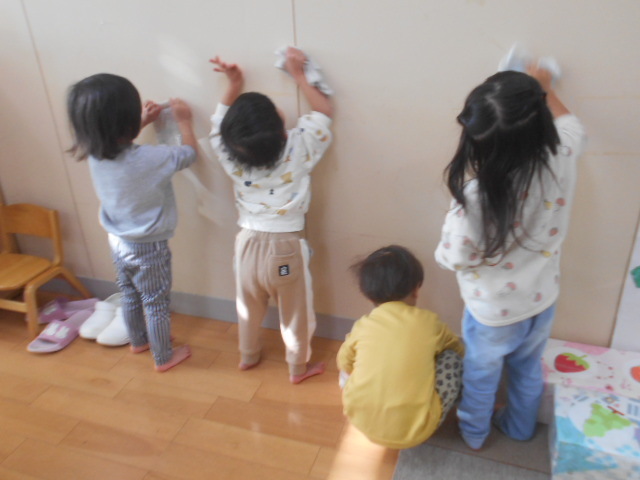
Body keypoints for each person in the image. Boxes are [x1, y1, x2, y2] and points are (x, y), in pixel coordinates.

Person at [434, 64, 587, 450]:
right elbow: (573, 126)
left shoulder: (474, 199)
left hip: (491, 314)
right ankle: (520, 427)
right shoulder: (562, 155)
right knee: (527, 369)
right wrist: (545, 88)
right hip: (541, 301)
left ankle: (474, 433)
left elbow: (453, 256)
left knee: (481, 374)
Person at [208, 47, 333, 384]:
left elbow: (218, 125)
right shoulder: (298, 146)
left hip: (246, 248)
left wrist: (233, 84)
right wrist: (299, 75)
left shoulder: (229, 154)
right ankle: (297, 367)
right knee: (295, 311)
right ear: (281, 130)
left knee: (247, 306)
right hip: (285, 252)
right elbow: (323, 111)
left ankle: (248, 355)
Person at [67, 73, 197, 372]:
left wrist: (143, 121)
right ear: (125, 121)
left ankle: (138, 341)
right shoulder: (151, 158)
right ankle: (164, 357)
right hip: (149, 247)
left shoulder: (94, 154)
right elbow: (189, 154)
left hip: (118, 241)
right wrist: (185, 121)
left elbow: (117, 143)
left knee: (130, 294)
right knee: (156, 303)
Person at [337, 245, 464, 448]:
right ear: (416, 290)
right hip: (418, 431)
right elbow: (456, 348)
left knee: (352, 361)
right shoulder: (430, 322)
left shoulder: (363, 325)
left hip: (360, 421)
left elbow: (343, 361)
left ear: (369, 297)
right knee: (452, 360)